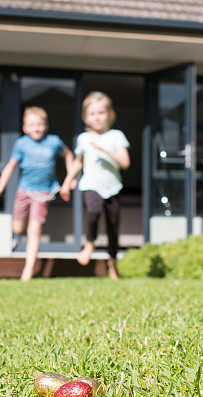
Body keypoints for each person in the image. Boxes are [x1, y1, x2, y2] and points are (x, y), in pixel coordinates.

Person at [0, 106, 74, 282]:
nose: (36, 128)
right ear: (25, 128)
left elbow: (68, 154)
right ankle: (17, 236)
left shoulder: (53, 141)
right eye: (32, 125)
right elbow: (10, 166)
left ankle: (28, 270)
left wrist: (69, 180)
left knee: (34, 230)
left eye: (40, 124)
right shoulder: (21, 144)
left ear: (46, 125)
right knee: (18, 228)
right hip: (24, 191)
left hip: (43, 193)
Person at [60, 91, 130, 280]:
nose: (97, 117)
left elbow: (125, 163)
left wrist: (105, 150)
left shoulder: (116, 136)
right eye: (92, 114)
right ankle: (89, 242)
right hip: (90, 184)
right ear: (85, 117)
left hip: (113, 187)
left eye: (101, 113)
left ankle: (112, 263)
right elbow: (78, 163)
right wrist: (66, 183)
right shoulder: (84, 138)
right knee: (93, 210)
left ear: (110, 115)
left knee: (113, 226)